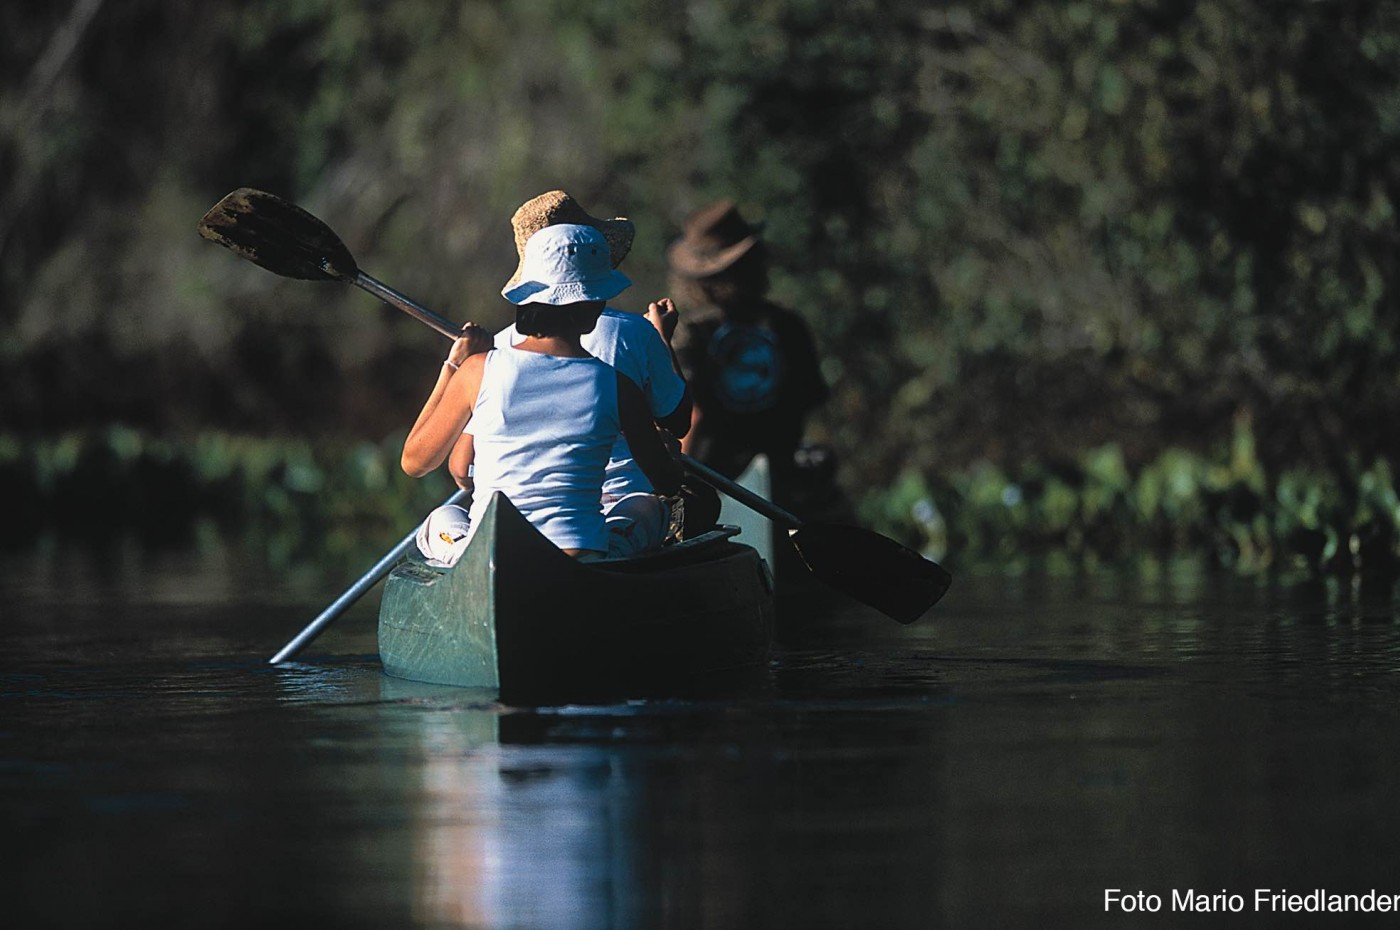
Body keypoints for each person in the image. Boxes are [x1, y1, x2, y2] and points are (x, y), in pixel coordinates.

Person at [402, 223, 682, 566]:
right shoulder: (619, 385)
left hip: (489, 558)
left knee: (441, 520)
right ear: (593, 305)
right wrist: (668, 453)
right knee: (648, 506)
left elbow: (415, 463)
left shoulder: (476, 370)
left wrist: (452, 366)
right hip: (581, 560)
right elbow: (667, 481)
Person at [495, 190, 719, 536]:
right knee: (700, 501)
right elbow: (677, 420)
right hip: (618, 501)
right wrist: (661, 338)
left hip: (516, 512)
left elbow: (462, 467)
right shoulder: (631, 339)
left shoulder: (497, 350)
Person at [667, 200, 829, 504]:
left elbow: (691, 414)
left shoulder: (687, 333)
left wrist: (675, 484)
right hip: (785, 483)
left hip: (711, 485)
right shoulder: (787, 325)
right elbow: (808, 399)